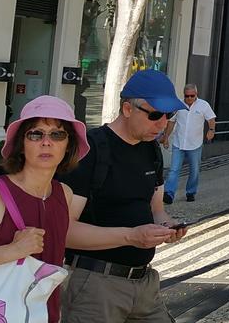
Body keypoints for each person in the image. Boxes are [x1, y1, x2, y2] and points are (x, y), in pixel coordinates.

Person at [60, 70, 191, 322]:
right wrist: (131, 237)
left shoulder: (151, 148)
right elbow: (64, 230)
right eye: (154, 115)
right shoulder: (90, 150)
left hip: (144, 284)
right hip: (95, 286)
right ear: (127, 109)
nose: (163, 123)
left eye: (169, 115)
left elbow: (156, 209)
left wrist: (168, 226)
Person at [0, 96, 89, 323]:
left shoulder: (64, 194)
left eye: (57, 134)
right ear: (21, 144)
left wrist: (131, 236)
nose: (46, 142)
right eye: (35, 134)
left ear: (68, 144)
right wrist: (9, 252)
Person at [160, 84, 215, 204]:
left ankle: (191, 192)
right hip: (178, 143)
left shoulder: (203, 105)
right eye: (187, 96)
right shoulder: (178, 105)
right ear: (183, 95)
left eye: (192, 96)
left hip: (195, 144)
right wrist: (165, 138)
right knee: (174, 169)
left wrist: (211, 130)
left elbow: (211, 119)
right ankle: (169, 193)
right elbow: (171, 122)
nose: (189, 98)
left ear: (196, 94)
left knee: (194, 170)